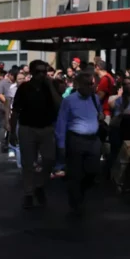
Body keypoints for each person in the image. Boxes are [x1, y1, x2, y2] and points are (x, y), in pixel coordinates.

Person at [10, 60, 61, 210]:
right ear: (31, 72)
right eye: (38, 72)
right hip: (27, 128)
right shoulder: (24, 88)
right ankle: (28, 193)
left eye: (44, 72)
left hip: (46, 128)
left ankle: (39, 185)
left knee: (49, 160)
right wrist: (12, 131)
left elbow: (59, 105)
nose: (41, 75)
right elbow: (16, 111)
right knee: (28, 163)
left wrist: (51, 86)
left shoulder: (50, 87)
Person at [55, 72, 102, 216]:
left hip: (93, 140)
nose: (91, 87)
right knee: (75, 173)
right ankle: (75, 202)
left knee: (92, 171)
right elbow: (61, 123)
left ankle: (81, 190)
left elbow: (99, 114)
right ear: (79, 85)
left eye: (92, 84)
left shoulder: (95, 98)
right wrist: (61, 145)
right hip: (76, 139)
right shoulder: (69, 101)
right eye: (88, 84)